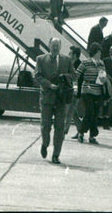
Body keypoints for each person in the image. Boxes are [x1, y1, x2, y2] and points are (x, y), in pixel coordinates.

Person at [34, 37, 75, 165]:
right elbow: (37, 76)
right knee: (45, 125)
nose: (55, 48)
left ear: (60, 46)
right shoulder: (41, 59)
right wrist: (49, 85)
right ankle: (45, 143)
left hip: (61, 99)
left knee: (59, 127)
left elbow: (74, 75)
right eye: (53, 45)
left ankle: (56, 154)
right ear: (49, 45)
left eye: (57, 45)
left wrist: (65, 77)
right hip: (47, 97)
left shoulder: (66, 60)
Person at [75, 42, 105, 144]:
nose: (100, 54)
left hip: (98, 90)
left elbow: (103, 75)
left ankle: (92, 136)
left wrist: (104, 78)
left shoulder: (101, 63)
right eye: (99, 52)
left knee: (95, 114)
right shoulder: (85, 63)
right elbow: (77, 74)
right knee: (89, 112)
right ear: (95, 52)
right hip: (87, 90)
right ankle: (81, 132)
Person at [64, 46, 83, 138]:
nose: (68, 55)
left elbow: (78, 81)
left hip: (75, 93)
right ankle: (81, 130)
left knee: (68, 112)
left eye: (70, 53)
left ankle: (63, 132)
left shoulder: (79, 65)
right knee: (73, 113)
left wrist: (76, 93)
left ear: (75, 55)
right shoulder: (71, 64)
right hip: (69, 92)